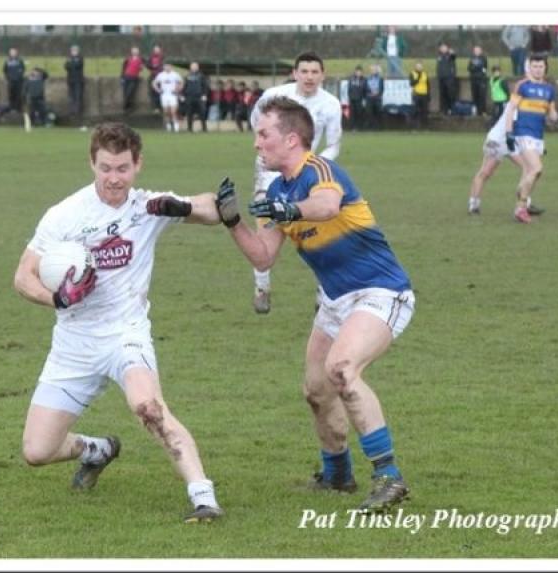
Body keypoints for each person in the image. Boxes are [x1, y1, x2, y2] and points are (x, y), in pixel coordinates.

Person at [151, 97, 415, 513]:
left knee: (343, 370)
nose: (256, 144)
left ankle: (389, 476)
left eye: (264, 134)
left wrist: (288, 208)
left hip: (380, 291)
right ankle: (338, 474)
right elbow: (263, 256)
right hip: (334, 301)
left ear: (291, 139)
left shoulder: (321, 171)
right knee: (315, 391)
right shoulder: (277, 189)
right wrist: (233, 221)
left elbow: (327, 206)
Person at [14, 122, 224, 523]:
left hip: (125, 333)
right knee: (37, 452)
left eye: (123, 168)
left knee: (148, 406)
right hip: (74, 341)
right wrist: (56, 298)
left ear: (138, 165)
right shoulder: (64, 215)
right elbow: (23, 277)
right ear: (92, 163)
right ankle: (97, 450)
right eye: (106, 168)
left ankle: (203, 497)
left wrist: (181, 207)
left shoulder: (147, 206)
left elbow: (216, 208)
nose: (114, 178)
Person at [247, 51, 342, 314]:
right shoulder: (274, 97)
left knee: (320, 233)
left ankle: (325, 293)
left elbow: (334, 145)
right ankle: (262, 289)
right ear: (295, 73)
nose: (309, 77)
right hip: (270, 175)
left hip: (308, 178)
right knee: (266, 234)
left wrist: (310, 167)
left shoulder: (331, 104)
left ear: (322, 75)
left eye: (314, 72)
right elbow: (258, 124)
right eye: (304, 71)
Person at [505, 53, 558, 224]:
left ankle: (521, 196)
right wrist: (508, 133)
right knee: (536, 168)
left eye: (541, 66)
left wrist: (557, 117)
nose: (537, 69)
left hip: (538, 135)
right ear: (530, 68)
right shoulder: (522, 86)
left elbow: (551, 114)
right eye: (534, 66)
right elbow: (510, 109)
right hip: (523, 132)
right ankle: (521, 207)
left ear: (545, 68)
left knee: (534, 172)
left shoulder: (550, 90)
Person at [152, 62, 183, 132]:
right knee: (166, 112)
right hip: (164, 95)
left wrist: (177, 90)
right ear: (164, 67)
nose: (167, 68)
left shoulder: (175, 74)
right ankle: (168, 126)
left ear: (171, 67)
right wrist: (158, 90)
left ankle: (176, 127)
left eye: (168, 66)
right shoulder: (161, 75)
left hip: (172, 95)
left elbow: (181, 82)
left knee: (173, 111)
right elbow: (154, 83)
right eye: (166, 66)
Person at [180, 61, 209, 133]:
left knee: (202, 112)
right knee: (189, 113)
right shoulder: (187, 76)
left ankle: (204, 128)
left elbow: (205, 86)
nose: (194, 67)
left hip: (199, 97)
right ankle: (189, 129)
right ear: (190, 67)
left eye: (195, 66)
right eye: (192, 66)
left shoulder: (201, 76)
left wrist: (204, 95)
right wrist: (182, 95)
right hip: (189, 97)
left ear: (198, 67)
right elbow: (184, 86)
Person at [64, 45, 85, 123]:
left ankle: (77, 111)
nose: (73, 52)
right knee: (71, 96)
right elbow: (66, 66)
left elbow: (78, 65)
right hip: (70, 80)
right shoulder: (69, 58)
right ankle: (72, 110)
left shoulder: (80, 58)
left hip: (78, 80)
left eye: (75, 50)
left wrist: (71, 63)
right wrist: (71, 63)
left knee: (78, 96)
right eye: (72, 50)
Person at [2, 47, 26, 115]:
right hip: (11, 81)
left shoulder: (20, 61)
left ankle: (19, 109)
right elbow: (4, 70)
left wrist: (19, 76)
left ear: (16, 53)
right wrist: (8, 77)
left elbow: (23, 69)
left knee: (18, 95)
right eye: (11, 52)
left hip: (18, 81)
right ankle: (12, 109)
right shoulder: (7, 61)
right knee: (11, 95)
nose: (13, 53)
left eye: (14, 52)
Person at [121, 46, 143, 114]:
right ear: (131, 51)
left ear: (138, 52)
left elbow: (141, 68)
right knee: (126, 93)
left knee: (130, 93)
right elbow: (123, 68)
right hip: (126, 77)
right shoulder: (128, 59)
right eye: (133, 50)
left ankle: (126, 107)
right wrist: (122, 77)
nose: (135, 52)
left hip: (134, 78)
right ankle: (128, 108)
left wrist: (141, 68)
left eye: (136, 50)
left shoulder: (140, 59)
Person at [436, 42, 457, 115]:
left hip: (449, 78)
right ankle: (443, 110)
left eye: (444, 47)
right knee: (442, 95)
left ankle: (451, 109)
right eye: (441, 47)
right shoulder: (439, 56)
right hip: (441, 78)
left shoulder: (450, 55)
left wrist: (452, 53)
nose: (443, 49)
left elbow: (454, 57)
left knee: (450, 94)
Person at [467, 45, 488, 116]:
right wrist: (476, 67)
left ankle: (483, 111)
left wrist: (475, 67)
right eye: (475, 50)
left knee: (482, 96)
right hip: (473, 80)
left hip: (481, 80)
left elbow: (484, 68)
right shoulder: (471, 59)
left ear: (481, 51)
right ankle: (475, 111)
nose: (476, 52)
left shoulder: (484, 58)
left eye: (478, 50)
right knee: (474, 96)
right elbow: (469, 68)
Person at [408, 61, 430, 130]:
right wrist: (418, 78)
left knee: (425, 111)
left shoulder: (425, 74)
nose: (419, 68)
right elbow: (412, 84)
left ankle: (425, 127)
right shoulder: (412, 73)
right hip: (416, 94)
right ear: (415, 67)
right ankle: (414, 127)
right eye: (418, 66)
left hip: (424, 94)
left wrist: (429, 94)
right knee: (415, 111)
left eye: (420, 66)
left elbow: (428, 85)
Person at [364, 64, 385, 130]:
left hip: (377, 98)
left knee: (378, 112)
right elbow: (365, 88)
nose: (373, 71)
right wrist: (370, 92)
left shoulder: (380, 78)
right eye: (372, 70)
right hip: (369, 98)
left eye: (375, 70)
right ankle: (371, 126)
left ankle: (378, 127)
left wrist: (377, 93)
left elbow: (382, 88)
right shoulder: (367, 78)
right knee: (369, 112)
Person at [347, 66, 367, 131]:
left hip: (360, 99)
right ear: (355, 72)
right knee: (352, 113)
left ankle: (359, 127)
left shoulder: (364, 80)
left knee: (359, 113)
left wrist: (364, 99)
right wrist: (349, 97)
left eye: (360, 72)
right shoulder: (352, 79)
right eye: (357, 72)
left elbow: (365, 90)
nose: (358, 73)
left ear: (362, 72)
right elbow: (349, 89)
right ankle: (352, 127)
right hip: (352, 98)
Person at [145, 45, 164, 112]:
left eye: (157, 49)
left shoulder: (162, 57)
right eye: (155, 50)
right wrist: (153, 66)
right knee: (152, 92)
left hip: (161, 76)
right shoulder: (151, 57)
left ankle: (160, 107)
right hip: (153, 75)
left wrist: (159, 67)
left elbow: (164, 65)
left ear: (160, 50)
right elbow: (147, 65)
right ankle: (155, 107)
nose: (156, 51)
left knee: (160, 91)